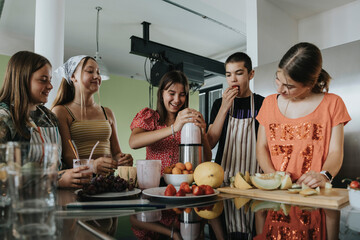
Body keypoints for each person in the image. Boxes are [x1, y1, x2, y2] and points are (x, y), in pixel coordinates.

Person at [256, 42, 351, 188]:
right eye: (277, 79)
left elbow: (335, 152)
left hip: (314, 193)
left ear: (309, 84)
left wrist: (324, 175)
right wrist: (273, 175)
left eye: (289, 86)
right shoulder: (268, 103)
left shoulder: (333, 103)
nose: (280, 89)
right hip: (277, 193)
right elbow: (261, 147)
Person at [0, 51, 91, 188]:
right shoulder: (4, 117)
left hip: (54, 200)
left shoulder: (49, 117)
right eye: (43, 80)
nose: (50, 86)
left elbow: (58, 165)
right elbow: (4, 175)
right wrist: (55, 180)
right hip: (21, 204)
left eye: (49, 79)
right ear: (22, 79)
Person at [52, 55, 133, 175]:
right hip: (81, 183)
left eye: (98, 72)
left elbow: (116, 153)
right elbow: (68, 157)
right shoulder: (61, 112)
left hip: (107, 182)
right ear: (73, 76)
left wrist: (123, 159)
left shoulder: (108, 113)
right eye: (90, 71)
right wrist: (91, 166)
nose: (97, 76)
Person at [129, 70, 211, 174]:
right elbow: (133, 142)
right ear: (162, 94)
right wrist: (174, 128)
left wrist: (203, 135)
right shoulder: (150, 116)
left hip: (181, 183)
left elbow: (206, 160)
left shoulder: (190, 122)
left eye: (182, 94)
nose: (177, 100)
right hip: (154, 181)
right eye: (171, 93)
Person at [207, 52, 264, 180]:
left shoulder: (262, 103)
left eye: (239, 73)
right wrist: (224, 107)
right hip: (223, 175)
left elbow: (267, 146)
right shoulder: (218, 104)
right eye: (228, 75)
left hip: (255, 177)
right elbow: (210, 142)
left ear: (251, 74)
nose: (233, 79)